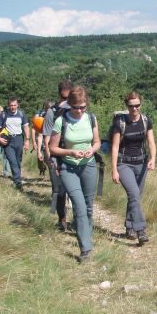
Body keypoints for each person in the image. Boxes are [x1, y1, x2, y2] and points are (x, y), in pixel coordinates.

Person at [48, 86, 100, 263]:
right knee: (79, 206)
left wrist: (91, 150)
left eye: (83, 107)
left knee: (88, 206)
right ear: (70, 105)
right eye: (76, 107)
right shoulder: (61, 121)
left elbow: (97, 142)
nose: (79, 111)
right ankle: (85, 248)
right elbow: (52, 147)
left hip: (89, 166)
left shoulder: (91, 118)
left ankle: (87, 236)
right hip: (68, 168)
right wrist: (70, 152)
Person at [110, 92, 157, 244]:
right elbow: (115, 146)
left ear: (140, 105)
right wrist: (114, 169)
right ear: (127, 106)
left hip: (141, 163)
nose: (134, 109)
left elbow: (151, 142)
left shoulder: (145, 121)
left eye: (137, 105)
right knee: (135, 194)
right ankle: (140, 229)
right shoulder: (120, 122)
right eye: (131, 106)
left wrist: (153, 158)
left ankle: (129, 226)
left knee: (135, 197)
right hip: (124, 164)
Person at [43, 79, 73, 230]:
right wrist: (50, 158)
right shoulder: (52, 112)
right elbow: (47, 136)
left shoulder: (77, 110)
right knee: (59, 189)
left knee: (68, 189)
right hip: (58, 154)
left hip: (73, 155)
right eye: (65, 97)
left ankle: (70, 219)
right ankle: (62, 218)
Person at [0, 97, 30, 191]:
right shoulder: (4, 114)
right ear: (8, 105)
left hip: (19, 139)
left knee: (18, 162)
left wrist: (27, 140)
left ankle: (16, 180)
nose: (13, 107)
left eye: (14, 105)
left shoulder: (21, 114)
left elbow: (26, 127)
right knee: (12, 161)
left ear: (17, 105)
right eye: (11, 105)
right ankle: (18, 183)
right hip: (8, 141)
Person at [32, 100, 53, 177]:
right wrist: (34, 143)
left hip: (54, 143)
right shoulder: (40, 117)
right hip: (44, 142)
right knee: (45, 159)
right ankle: (42, 169)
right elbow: (37, 132)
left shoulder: (57, 116)